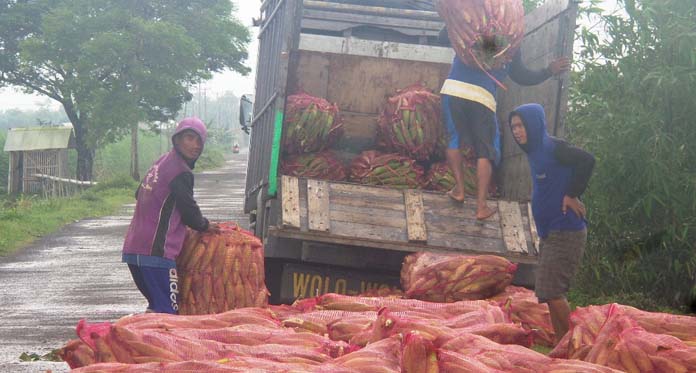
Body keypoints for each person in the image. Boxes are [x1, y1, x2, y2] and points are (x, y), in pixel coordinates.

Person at [439, 27, 571, 220]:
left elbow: (443, 36)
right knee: (486, 150)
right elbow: (521, 76)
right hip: (482, 95)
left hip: (453, 89)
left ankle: (459, 190)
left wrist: (455, 16)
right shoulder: (511, 39)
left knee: (454, 139)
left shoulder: (473, 27)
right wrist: (548, 71)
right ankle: (481, 206)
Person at [508, 103, 595, 344]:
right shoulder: (534, 150)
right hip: (551, 232)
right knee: (549, 293)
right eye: (514, 126)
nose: (517, 131)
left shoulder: (553, 147)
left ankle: (573, 345)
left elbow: (587, 160)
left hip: (566, 230)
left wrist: (572, 193)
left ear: (534, 124)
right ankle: (561, 343)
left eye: (521, 125)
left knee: (552, 292)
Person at [122, 117, 215, 314]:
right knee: (168, 313)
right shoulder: (181, 171)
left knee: (156, 308)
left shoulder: (161, 161)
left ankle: (141, 342)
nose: (195, 145)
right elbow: (190, 212)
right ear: (178, 139)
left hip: (133, 250)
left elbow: (139, 193)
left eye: (199, 141)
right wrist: (206, 226)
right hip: (157, 253)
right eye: (190, 138)